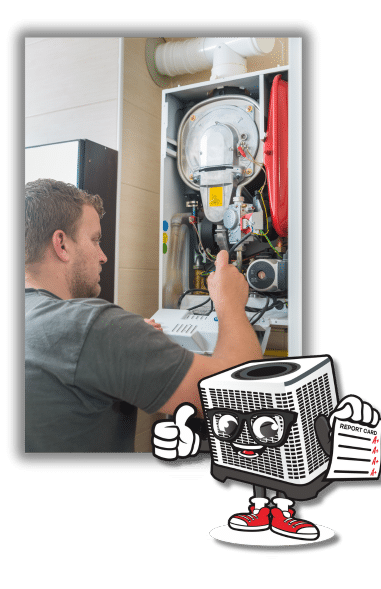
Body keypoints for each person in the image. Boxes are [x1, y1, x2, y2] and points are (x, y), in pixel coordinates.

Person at [25, 179, 263, 452]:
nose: (103, 256)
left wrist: (127, 340)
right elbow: (238, 395)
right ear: (62, 245)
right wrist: (230, 302)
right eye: (95, 240)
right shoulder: (91, 327)